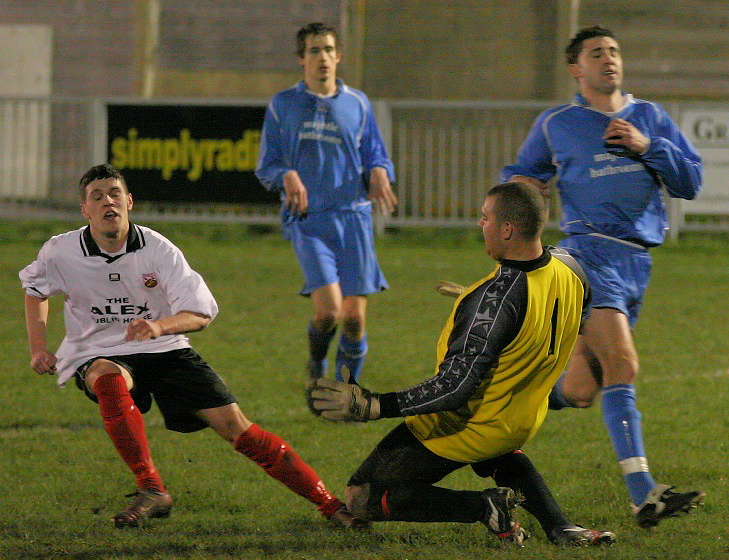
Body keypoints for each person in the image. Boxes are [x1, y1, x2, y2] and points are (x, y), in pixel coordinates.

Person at [20, 163, 366, 529]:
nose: (108, 201)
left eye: (115, 193)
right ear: (85, 210)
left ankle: (330, 506)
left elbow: (201, 313)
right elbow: (35, 289)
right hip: (100, 353)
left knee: (239, 429)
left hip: (166, 349)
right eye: (97, 196)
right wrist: (38, 349)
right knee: (107, 376)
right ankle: (152, 488)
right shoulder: (61, 251)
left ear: (129, 202)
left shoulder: (159, 250)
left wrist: (158, 326)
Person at [310, 181, 616, 547]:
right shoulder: (571, 268)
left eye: (485, 217)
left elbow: (454, 388)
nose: (479, 224)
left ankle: (483, 506)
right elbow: (562, 317)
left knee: (361, 496)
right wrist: (486, 308)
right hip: (519, 419)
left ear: (507, 229)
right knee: (494, 456)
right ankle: (560, 526)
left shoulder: (495, 300)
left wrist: (374, 405)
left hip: (469, 422)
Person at [501, 25, 705, 528]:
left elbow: (690, 182)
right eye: (596, 53)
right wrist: (525, 194)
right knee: (624, 363)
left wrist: (648, 146)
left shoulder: (650, 117)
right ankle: (644, 495)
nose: (609, 58)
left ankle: (498, 398)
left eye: (614, 51)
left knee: (581, 390)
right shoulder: (558, 123)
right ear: (576, 68)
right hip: (587, 256)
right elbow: (521, 177)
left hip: (637, 261)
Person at [255, 22, 398, 403]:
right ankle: (316, 367)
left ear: (339, 56)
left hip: (354, 219)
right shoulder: (283, 105)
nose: (323, 58)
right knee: (330, 312)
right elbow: (266, 165)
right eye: (315, 51)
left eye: (329, 50)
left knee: (354, 319)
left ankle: (344, 389)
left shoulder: (358, 103)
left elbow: (375, 154)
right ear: (302, 59)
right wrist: (286, 174)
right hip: (309, 221)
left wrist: (381, 170)